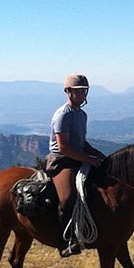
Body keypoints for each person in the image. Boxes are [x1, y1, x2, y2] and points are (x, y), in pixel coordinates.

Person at [46, 73, 106, 257]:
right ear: (69, 92)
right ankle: (65, 242)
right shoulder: (63, 115)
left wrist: (99, 156)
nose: (83, 95)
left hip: (78, 157)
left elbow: (81, 143)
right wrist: (88, 159)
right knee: (68, 197)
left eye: (84, 91)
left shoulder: (82, 114)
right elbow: (63, 147)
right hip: (62, 162)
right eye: (79, 91)